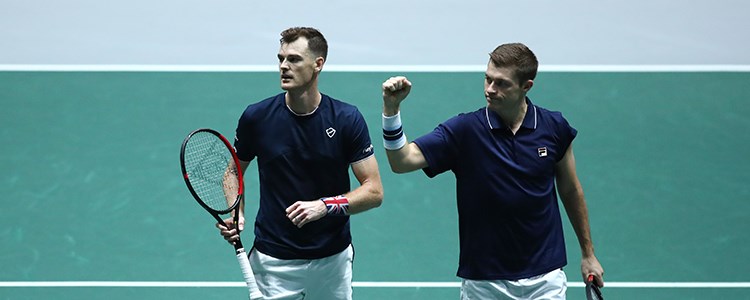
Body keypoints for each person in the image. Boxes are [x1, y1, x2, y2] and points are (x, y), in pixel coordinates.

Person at [380, 42, 604, 299]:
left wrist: (588, 253)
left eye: (501, 83)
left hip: (545, 278)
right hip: (485, 282)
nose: (490, 89)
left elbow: (570, 189)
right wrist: (391, 110)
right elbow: (402, 161)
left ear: (526, 86)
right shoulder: (464, 131)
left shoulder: (554, 127)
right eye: (487, 79)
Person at [217, 27, 384, 299]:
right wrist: (238, 213)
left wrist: (325, 206)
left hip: (332, 260)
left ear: (318, 64)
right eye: (281, 58)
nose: (284, 66)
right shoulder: (256, 117)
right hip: (274, 260)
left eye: (294, 59)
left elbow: (374, 192)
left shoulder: (346, 119)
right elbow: (233, 171)